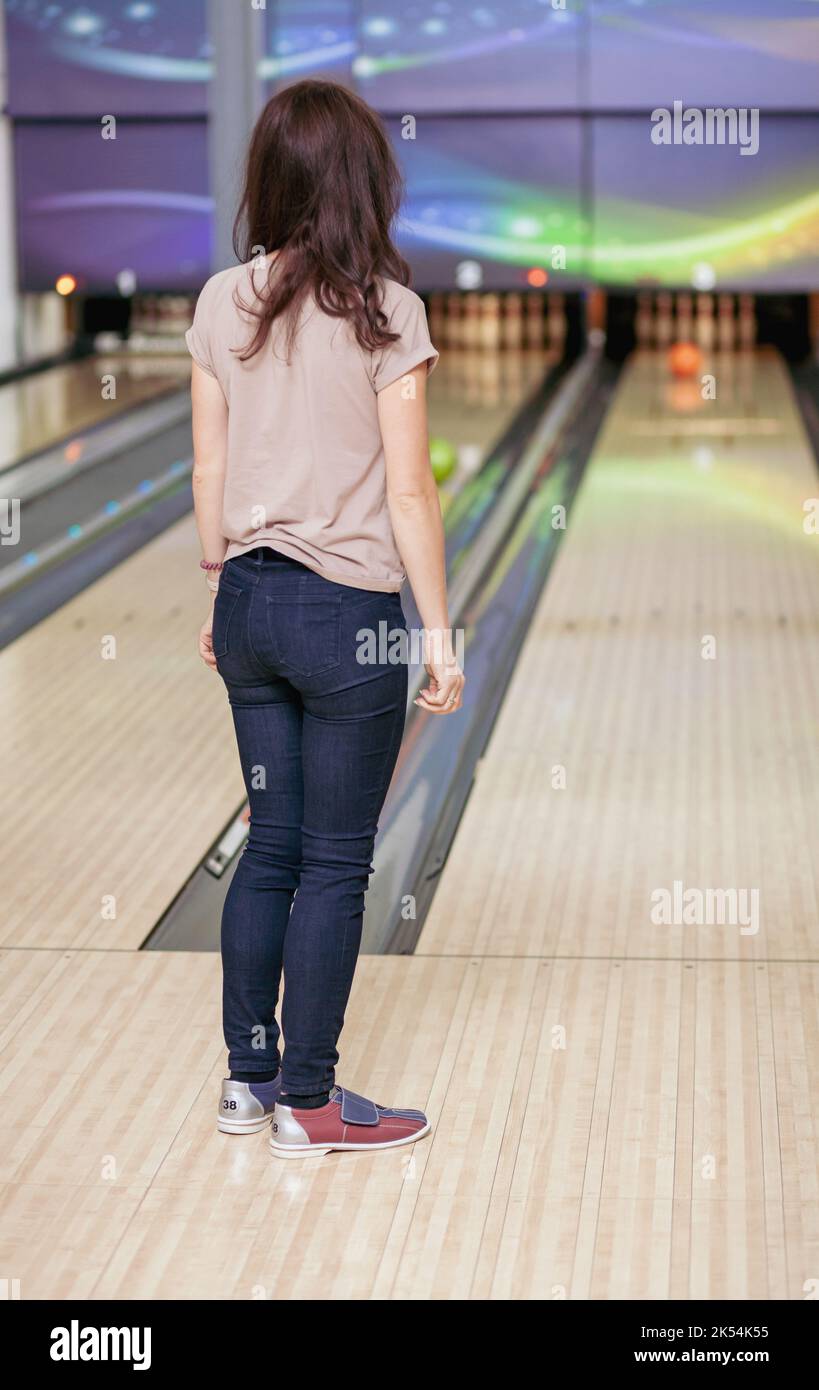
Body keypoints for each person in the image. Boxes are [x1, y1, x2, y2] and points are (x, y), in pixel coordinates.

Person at [186, 79, 464, 1159]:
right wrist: (437, 634)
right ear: (365, 181)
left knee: (272, 844)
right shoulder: (389, 311)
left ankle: (246, 1082)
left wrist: (220, 583)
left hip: (250, 601)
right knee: (337, 863)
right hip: (345, 618)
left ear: (270, 177)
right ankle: (312, 1098)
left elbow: (206, 468)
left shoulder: (221, 300)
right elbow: (409, 493)